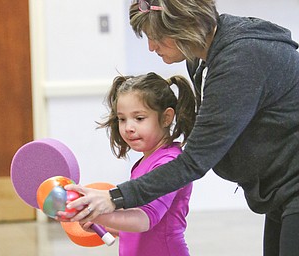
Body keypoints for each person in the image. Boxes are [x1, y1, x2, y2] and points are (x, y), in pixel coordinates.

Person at [62, 0, 299, 255]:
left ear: (185, 26)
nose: (151, 47)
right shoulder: (200, 59)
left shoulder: (241, 59)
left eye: (157, 38)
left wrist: (113, 198)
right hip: (279, 191)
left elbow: (195, 161)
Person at [59, 72, 196, 255]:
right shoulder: (146, 161)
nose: (128, 127)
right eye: (122, 119)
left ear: (166, 117)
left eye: (139, 118)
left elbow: (146, 219)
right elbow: (139, 231)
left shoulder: (169, 163)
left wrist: (98, 213)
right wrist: (104, 223)